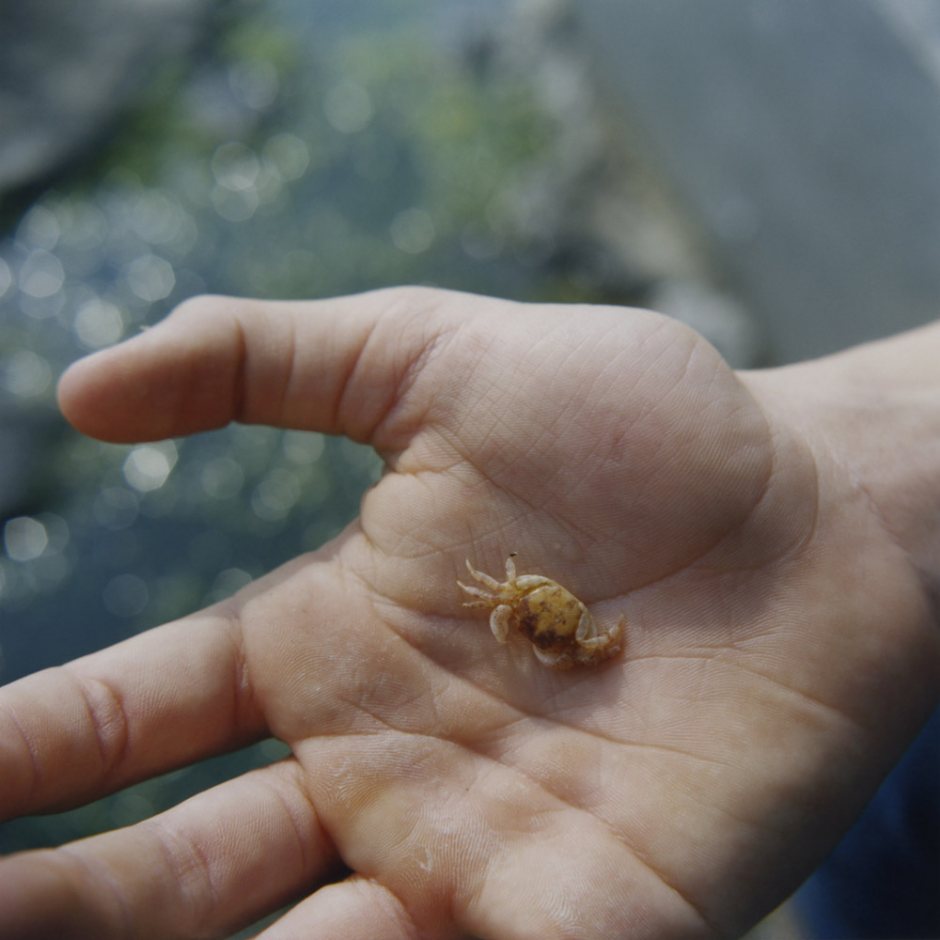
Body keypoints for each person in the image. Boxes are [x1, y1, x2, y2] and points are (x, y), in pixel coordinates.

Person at [0, 288, 937, 938]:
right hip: (897, 783)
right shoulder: (527, 599)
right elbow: (526, 611)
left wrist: (837, 489)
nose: (519, 620)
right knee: (875, 886)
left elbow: (549, 630)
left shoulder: (553, 616)